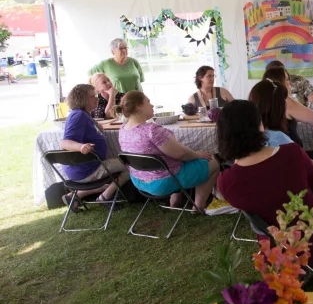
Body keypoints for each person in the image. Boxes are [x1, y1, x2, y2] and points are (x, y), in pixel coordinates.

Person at [216, 100, 313, 265]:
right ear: (260, 126)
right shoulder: (291, 153)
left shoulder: (226, 182)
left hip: (279, 254)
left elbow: (257, 219)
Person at [248, 79, 313, 208]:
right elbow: (307, 175)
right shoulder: (278, 138)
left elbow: (301, 162)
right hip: (299, 195)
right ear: (278, 108)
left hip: (280, 191)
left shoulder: (252, 136)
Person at [116, 91, 219, 210]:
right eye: (148, 102)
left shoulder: (123, 129)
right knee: (212, 162)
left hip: (138, 181)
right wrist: (197, 154)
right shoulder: (151, 130)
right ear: (139, 107)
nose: (152, 105)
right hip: (161, 183)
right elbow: (181, 154)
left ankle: (175, 200)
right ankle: (198, 206)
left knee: (174, 161)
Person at [59, 84, 130, 212]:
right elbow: (64, 143)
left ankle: (75, 196)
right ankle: (105, 196)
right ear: (82, 100)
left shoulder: (83, 114)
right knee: (130, 165)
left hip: (81, 168)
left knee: (114, 173)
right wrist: (80, 146)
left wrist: (96, 124)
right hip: (87, 169)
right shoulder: (78, 116)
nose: (97, 99)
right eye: (92, 97)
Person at [262, 66, 313, 161]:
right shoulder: (285, 101)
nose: (289, 83)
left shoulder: (259, 99)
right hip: (291, 155)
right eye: (287, 79)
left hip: (267, 155)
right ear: (280, 82)